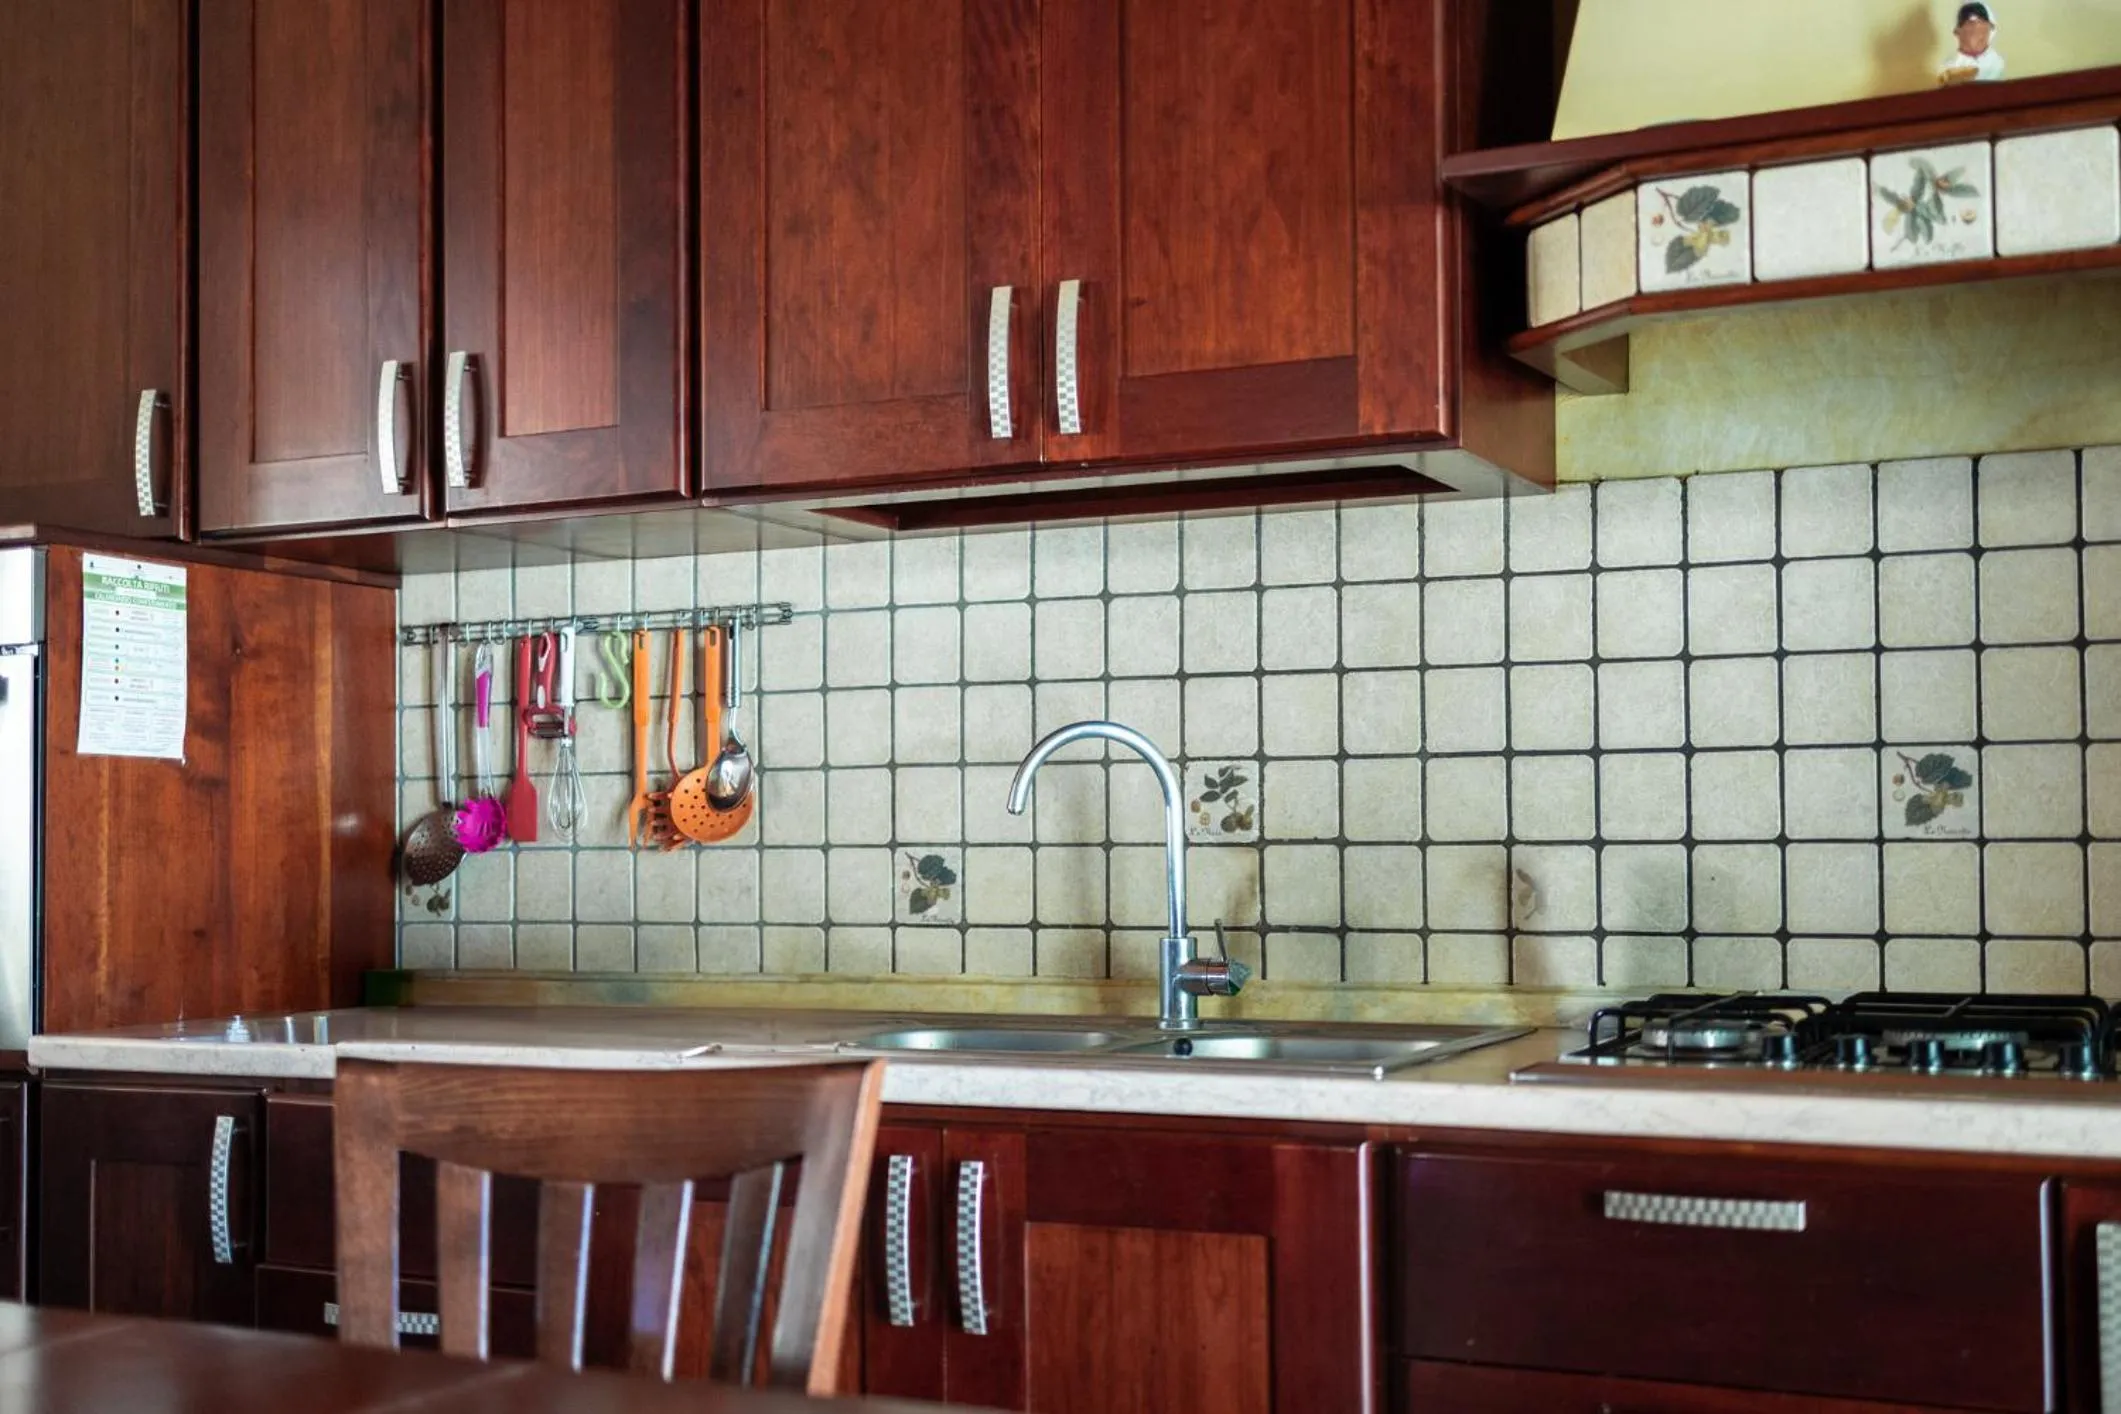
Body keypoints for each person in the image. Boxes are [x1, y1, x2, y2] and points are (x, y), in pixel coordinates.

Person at [1939, 2, 2006, 84]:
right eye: (1970, 23)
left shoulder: (1996, 61)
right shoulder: (1950, 66)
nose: (1977, 29)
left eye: (1981, 22)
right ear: (1957, 31)